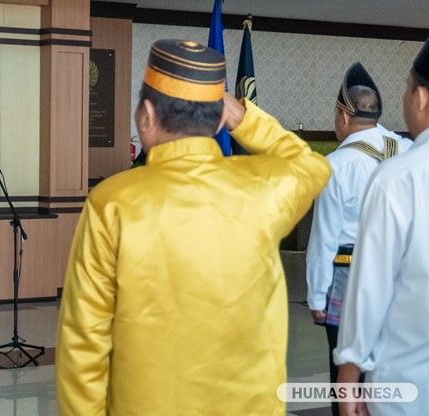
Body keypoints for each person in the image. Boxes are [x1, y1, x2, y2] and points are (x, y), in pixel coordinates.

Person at [56, 39, 330, 416]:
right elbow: (312, 165)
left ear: (146, 117)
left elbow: (84, 340)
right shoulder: (261, 190)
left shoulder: (112, 201)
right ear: (219, 120)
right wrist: (245, 119)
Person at [305, 62, 412, 414]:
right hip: (401, 277)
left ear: (343, 116)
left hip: (346, 277)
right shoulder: (408, 151)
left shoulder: (337, 164)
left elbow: (324, 238)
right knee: (389, 366)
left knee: (344, 370)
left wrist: (317, 297)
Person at [335, 38, 429, 416]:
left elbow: (371, 288)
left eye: (407, 88)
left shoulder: (400, 176)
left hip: (404, 386)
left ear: (421, 97)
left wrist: (349, 372)